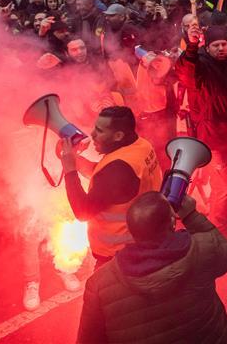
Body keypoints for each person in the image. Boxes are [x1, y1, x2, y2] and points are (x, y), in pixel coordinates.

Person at [77, 193, 227, 343]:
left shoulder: (99, 283)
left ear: (131, 232)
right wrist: (191, 215)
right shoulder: (200, 249)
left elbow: (89, 340)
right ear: (173, 222)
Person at [57, 106, 161, 266]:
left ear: (118, 136)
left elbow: (83, 212)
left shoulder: (118, 170)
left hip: (118, 257)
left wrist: (70, 170)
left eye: (99, 131)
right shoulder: (140, 146)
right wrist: (75, 161)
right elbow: (105, 175)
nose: (92, 135)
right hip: (142, 241)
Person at [176, 24, 227, 234]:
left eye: (224, 44)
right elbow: (186, 70)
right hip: (213, 138)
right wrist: (191, 47)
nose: (220, 49)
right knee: (223, 188)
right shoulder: (201, 67)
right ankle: (218, 231)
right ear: (207, 48)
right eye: (215, 45)